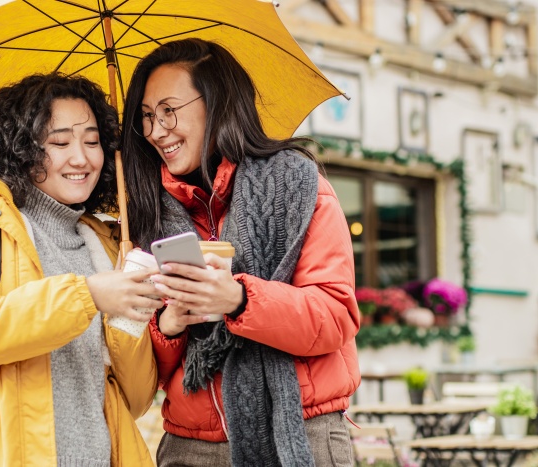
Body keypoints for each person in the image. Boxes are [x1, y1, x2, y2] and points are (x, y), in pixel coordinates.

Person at [120, 38, 360, 467]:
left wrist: (238, 298)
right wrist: (171, 323)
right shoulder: (145, 214)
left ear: (217, 101)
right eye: (147, 118)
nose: (157, 131)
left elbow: (335, 316)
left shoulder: (299, 187)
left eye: (169, 111)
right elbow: (140, 366)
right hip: (191, 446)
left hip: (300, 432)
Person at [0, 73, 160, 466]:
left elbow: (136, 399)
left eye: (92, 141)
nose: (82, 158)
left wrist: (146, 318)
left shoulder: (105, 246)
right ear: (19, 149)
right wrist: (87, 295)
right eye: (59, 142)